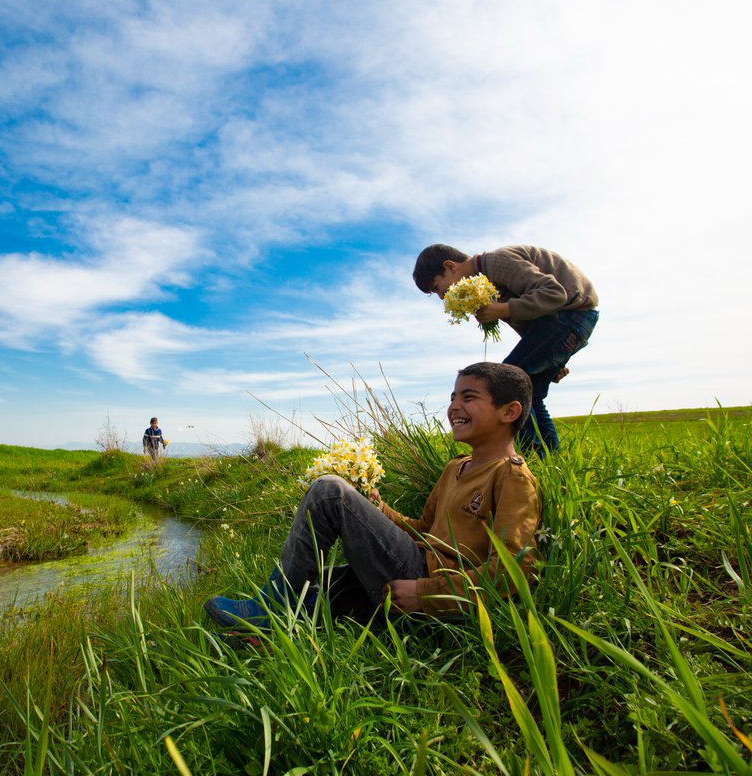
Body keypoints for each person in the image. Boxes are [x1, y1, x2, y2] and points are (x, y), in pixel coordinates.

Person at [204, 362, 541, 628]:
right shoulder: (456, 467)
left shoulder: (511, 477)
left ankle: (270, 610)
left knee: (329, 492)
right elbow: (423, 527)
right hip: (415, 562)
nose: (454, 406)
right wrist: (379, 509)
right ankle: (272, 621)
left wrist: (425, 594)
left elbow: (514, 570)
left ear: (509, 412)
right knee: (312, 582)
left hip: (429, 580)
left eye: (468, 397)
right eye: (453, 397)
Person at [413, 243, 599, 455]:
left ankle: (532, 454)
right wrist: (552, 359)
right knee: (532, 392)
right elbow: (531, 328)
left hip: (573, 313)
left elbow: (555, 294)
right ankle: (550, 460)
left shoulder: (496, 263)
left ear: (450, 266)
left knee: (511, 380)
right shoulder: (484, 284)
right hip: (564, 323)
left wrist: (502, 309)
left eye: (437, 287)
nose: (442, 297)